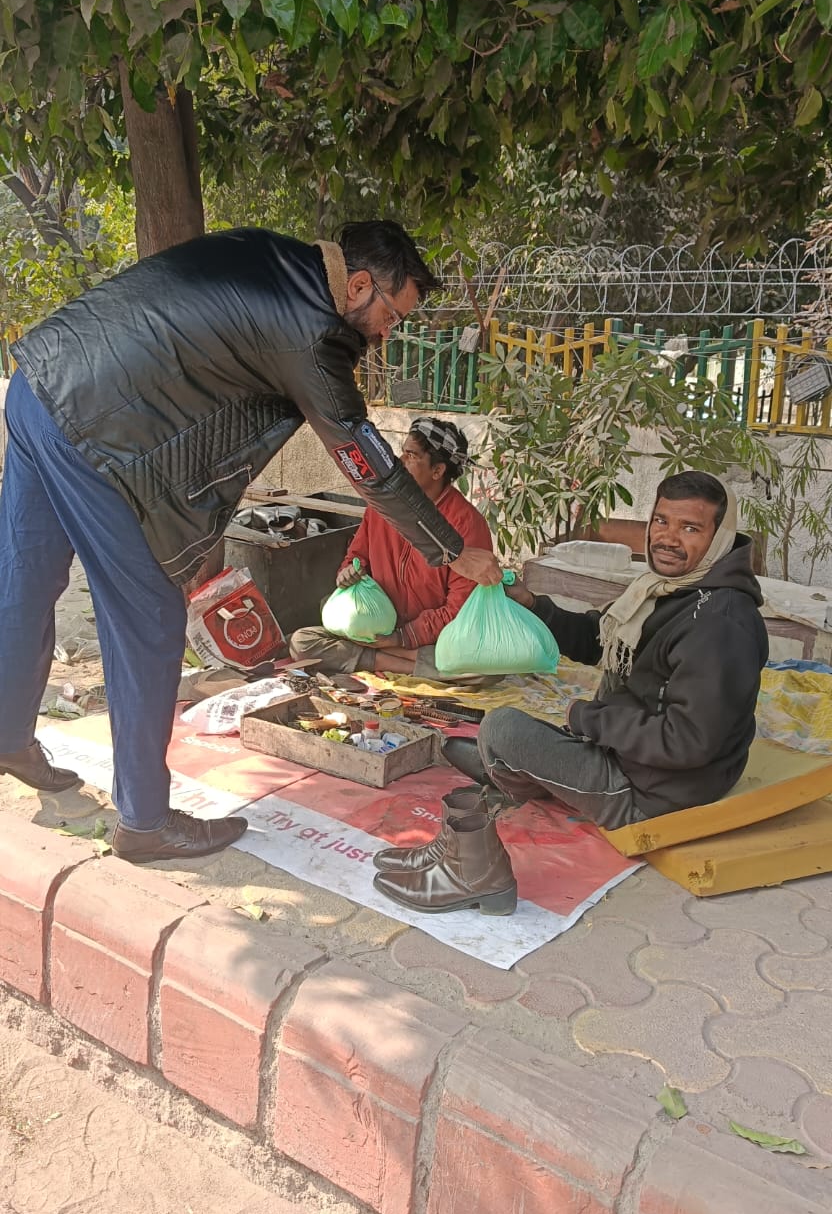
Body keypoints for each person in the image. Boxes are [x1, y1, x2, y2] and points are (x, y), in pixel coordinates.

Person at [0, 221, 500, 864]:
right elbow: (358, 451)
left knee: (27, 582)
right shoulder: (315, 330)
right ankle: (146, 823)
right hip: (96, 433)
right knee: (149, 615)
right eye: (390, 316)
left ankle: (9, 733)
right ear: (358, 284)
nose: (386, 335)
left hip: (39, 384)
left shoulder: (270, 253)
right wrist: (450, 548)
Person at [373, 471, 769, 915]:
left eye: (690, 528)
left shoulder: (721, 623)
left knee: (503, 729)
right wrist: (534, 605)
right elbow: (600, 640)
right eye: (661, 521)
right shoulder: (670, 590)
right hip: (637, 757)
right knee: (501, 729)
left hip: (657, 791)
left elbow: (688, 742)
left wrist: (590, 721)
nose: (668, 539)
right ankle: (505, 786)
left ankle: (478, 867)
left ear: (719, 537)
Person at [288, 416, 493, 679]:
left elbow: (459, 610)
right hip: (379, 629)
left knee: (484, 669)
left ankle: (382, 660)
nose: (400, 462)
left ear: (438, 471)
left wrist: (402, 637)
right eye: (402, 452)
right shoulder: (382, 505)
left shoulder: (467, 524)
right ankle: (406, 665)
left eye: (411, 455)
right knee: (302, 641)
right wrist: (348, 574)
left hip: (433, 640)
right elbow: (356, 557)